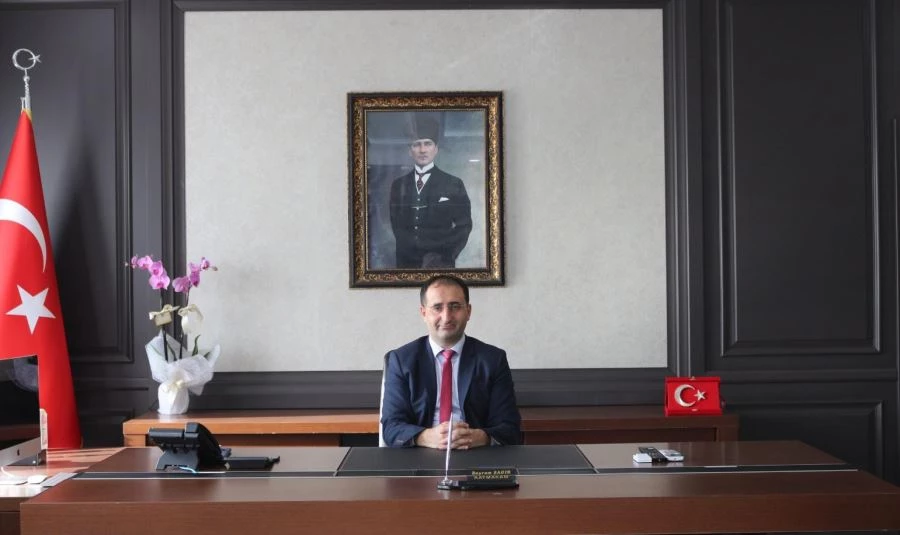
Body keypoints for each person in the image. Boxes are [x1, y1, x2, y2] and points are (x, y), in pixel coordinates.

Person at [380, 275, 521, 448]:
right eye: (437, 307)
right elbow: (391, 427)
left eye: (455, 307)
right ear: (423, 313)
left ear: (468, 311)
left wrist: (479, 437)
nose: (446, 317)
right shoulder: (401, 360)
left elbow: (509, 428)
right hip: (420, 452)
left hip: (476, 453)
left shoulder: (493, 359)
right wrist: (425, 437)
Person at [389, 117, 473, 269]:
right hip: (406, 264)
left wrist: (446, 255)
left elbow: (464, 226)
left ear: (436, 149)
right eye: (417, 144)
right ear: (410, 151)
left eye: (428, 144)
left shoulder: (453, 183)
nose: (422, 150)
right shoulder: (398, 185)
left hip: (441, 264)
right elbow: (397, 225)